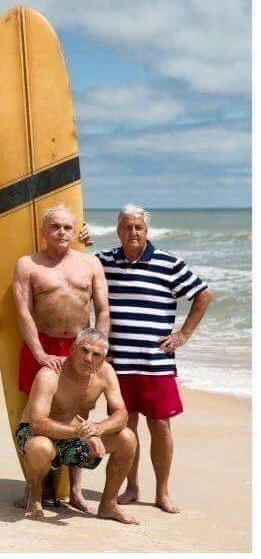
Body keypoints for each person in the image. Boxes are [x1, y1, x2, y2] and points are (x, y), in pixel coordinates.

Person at [95, 204, 212, 514]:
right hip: (117, 363)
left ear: (147, 231)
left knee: (160, 426)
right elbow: (78, 268)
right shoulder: (103, 261)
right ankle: (131, 487)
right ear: (118, 231)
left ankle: (162, 493)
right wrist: (82, 237)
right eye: (127, 227)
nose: (132, 232)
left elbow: (203, 294)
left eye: (138, 227)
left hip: (156, 364)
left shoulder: (168, 264)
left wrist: (183, 334)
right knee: (125, 427)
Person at [11, 204, 109, 512]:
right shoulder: (28, 265)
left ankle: (75, 490)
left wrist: (100, 350)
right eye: (55, 227)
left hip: (80, 346)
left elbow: (103, 309)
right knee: (35, 413)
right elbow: (23, 313)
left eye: (67, 227)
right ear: (43, 231)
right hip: (41, 344)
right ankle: (34, 484)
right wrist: (39, 353)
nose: (61, 232)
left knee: (79, 409)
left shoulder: (90, 263)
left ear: (75, 231)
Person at [17, 328, 138, 524]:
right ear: (73, 349)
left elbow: (121, 414)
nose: (88, 359)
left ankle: (108, 505)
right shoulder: (51, 373)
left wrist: (98, 428)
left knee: (127, 438)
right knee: (40, 446)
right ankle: (35, 497)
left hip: (75, 437)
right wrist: (82, 432)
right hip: (37, 434)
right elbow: (37, 423)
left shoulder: (106, 372)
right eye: (84, 350)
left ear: (102, 360)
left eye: (96, 355)